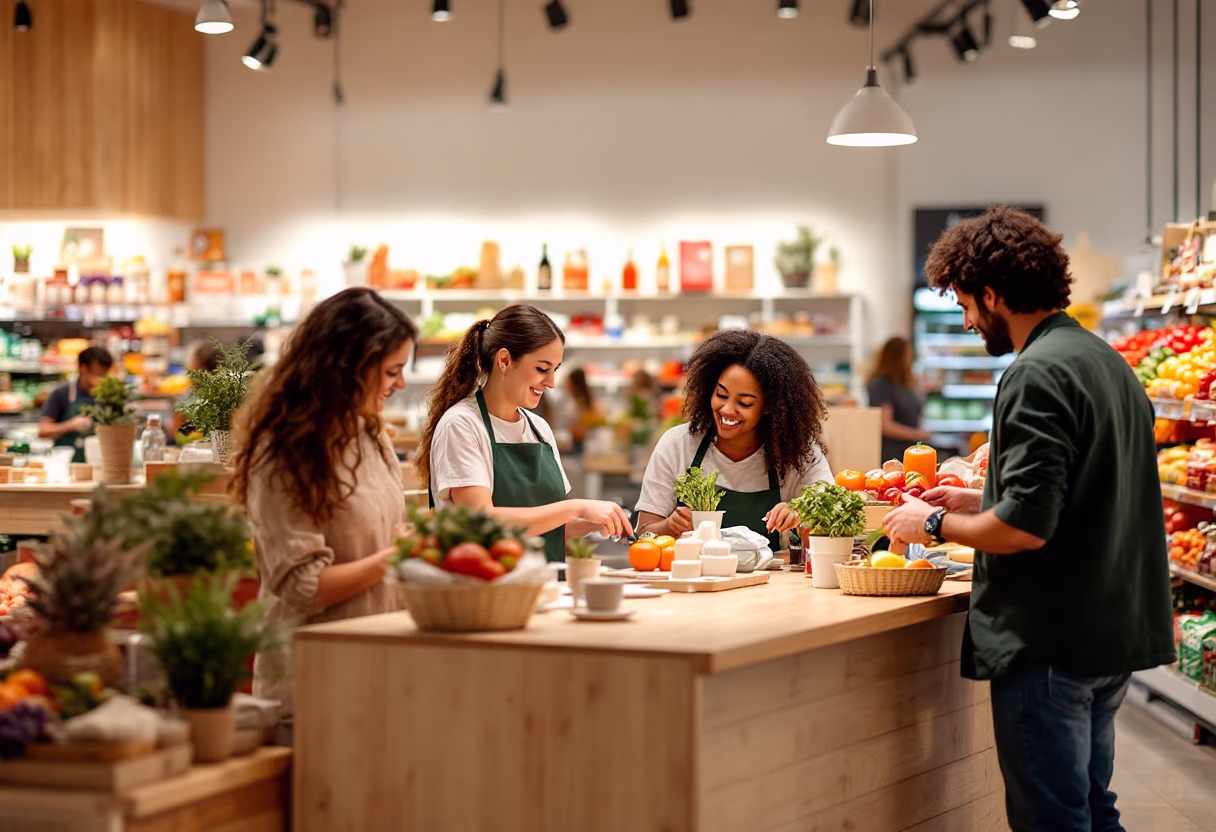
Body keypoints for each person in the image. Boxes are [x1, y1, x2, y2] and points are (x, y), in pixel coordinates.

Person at [881, 206, 1174, 832]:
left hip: (1050, 640)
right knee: (1095, 810)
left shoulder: (1034, 373)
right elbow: (1083, 491)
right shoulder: (1107, 362)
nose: (965, 322)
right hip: (1108, 629)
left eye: (966, 305)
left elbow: (1025, 529)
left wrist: (927, 525)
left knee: (1053, 821)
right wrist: (982, 499)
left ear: (993, 294)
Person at [229, 287, 418, 720]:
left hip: (380, 665)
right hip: (314, 681)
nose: (401, 384)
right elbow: (304, 585)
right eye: (392, 371)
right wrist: (397, 556)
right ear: (349, 367)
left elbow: (384, 536)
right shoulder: (284, 451)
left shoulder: (369, 434)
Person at [415, 304, 633, 563]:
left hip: (547, 589)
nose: (551, 382)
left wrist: (594, 521)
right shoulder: (462, 425)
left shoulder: (538, 429)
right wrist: (577, 507)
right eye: (542, 369)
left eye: (555, 370)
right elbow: (480, 522)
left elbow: (551, 533)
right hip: (485, 592)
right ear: (504, 360)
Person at [635, 329, 833, 549]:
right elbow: (644, 534)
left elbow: (833, 521)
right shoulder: (677, 444)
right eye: (721, 395)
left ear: (770, 407)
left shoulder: (798, 453)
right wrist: (670, 526)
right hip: (698, 580)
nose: (727, 410)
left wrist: (800, 515)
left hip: (772, 582)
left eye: (745, 403)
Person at [38, 346, 114, 462]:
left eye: (105, 375)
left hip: (102, 464)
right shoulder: (61, 394)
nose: (101, 380)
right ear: (83, 369)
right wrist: (70, 425)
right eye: (97, 374)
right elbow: (43, 431)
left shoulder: (111, 396)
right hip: (66, 466)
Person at [867, 336, 931, 463]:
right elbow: (886, 425)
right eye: (908, 355)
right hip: (893, 454)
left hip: (912, 450)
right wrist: (917, 434)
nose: (911, 359)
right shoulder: (881, 384)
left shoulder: (905, 383)